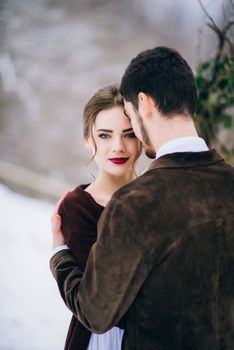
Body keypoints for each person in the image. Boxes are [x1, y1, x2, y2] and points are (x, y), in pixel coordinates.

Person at [50, 46, 234, 350]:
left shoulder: (135, 203)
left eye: (130, 124)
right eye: (105, 135)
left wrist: (58, 256)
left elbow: (96, 313)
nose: (120, 143)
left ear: (144, 104)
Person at [52, 84, 142, 350]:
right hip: (98, 339)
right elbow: (100, 304)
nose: (118, 147)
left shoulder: (159, 200)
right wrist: (58, 255)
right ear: (87, 140)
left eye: (129, 134)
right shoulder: (76, 208)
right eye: (104, 135)